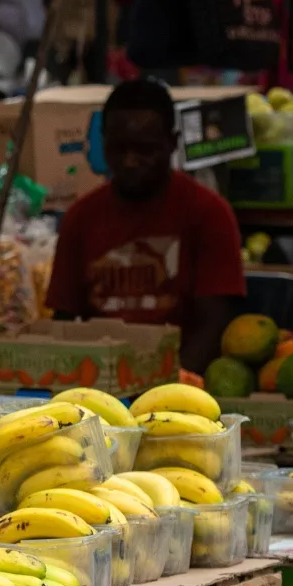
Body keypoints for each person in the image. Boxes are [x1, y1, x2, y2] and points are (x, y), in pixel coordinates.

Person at [46, 77, 244, 371]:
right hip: (99, 381)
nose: (129, 161)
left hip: (184, 380)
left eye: (145, 150)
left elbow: (216, 323)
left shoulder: (209, 213)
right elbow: (64, 320)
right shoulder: (80, 218)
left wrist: (170, 387)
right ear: (102, 143)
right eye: (118, 149)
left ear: (173, 144)